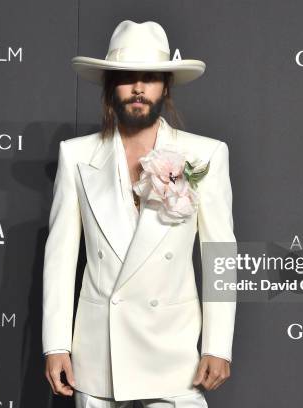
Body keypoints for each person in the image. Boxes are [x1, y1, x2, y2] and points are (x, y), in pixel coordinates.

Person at [42, 20, 237, 408]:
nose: (137, 89)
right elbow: (61, 257)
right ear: (110, 87)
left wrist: (219, 345)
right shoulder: (76, 155)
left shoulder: (205, 154)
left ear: (166, 88)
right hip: (98, 355)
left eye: (150, 79)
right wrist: (56, 344)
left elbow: (220, 255)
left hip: (173, 353)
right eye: (126, 78)